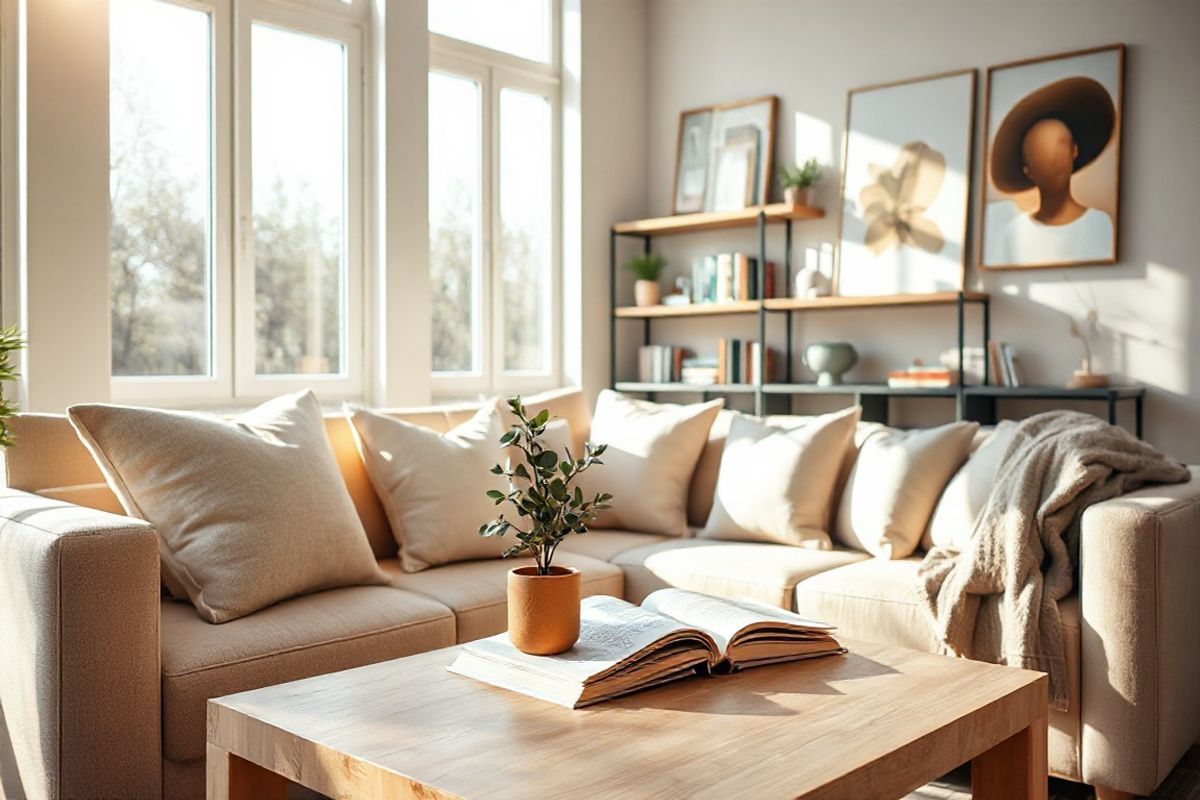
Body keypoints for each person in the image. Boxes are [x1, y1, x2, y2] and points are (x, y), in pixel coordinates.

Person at [986, 76, 1116, 266]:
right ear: (1027, 169)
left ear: (1074, 150)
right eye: (1040, 152)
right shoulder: (1014, 232)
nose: (1054, 159)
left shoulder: (1100, 224)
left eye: (1061, 144)